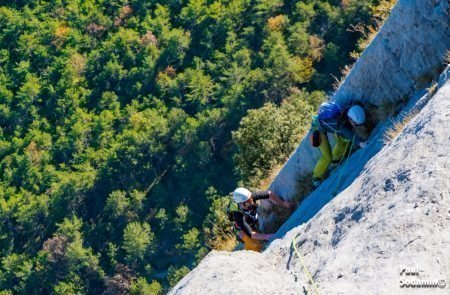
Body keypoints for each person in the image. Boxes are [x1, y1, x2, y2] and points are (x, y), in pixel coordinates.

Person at [310, 102, 369, 189]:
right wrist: (360, 143)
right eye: (355, 124)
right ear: (351, 120)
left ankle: (335, 161)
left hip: (329, 123)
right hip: (318, 128)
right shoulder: (341, 125)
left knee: (343, 141)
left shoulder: (348, 110)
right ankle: (316, 178)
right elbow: (349, 134)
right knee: (327, 157)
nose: (356, 126)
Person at [227, 187, 294, 251]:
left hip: (252, 221)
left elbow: (269, 194)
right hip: (241, 228)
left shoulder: (250, 197)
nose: (251, 201)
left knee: (258, 232)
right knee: (255, 246)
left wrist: (283, 203)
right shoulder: (238, 215)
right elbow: (250, 234)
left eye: (250, 198)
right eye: (248, 200)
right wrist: (266, 236)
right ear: (241, 203)